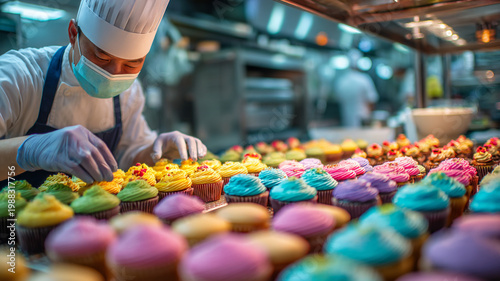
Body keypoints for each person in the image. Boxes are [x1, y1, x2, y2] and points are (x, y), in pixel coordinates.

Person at [0, 0, 206, 186]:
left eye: (131, 64)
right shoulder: (17, 76)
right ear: (73, 33)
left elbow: (129, 157)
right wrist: (31, 150)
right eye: (102, 58)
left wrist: (159, 150)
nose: (114, 74)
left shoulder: (129, 93)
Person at [333, 49, 379, 127]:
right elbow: (371, 100)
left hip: (346, 120)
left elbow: (337, 99)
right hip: (363, 120)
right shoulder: (364, 79)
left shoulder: (341, 81)